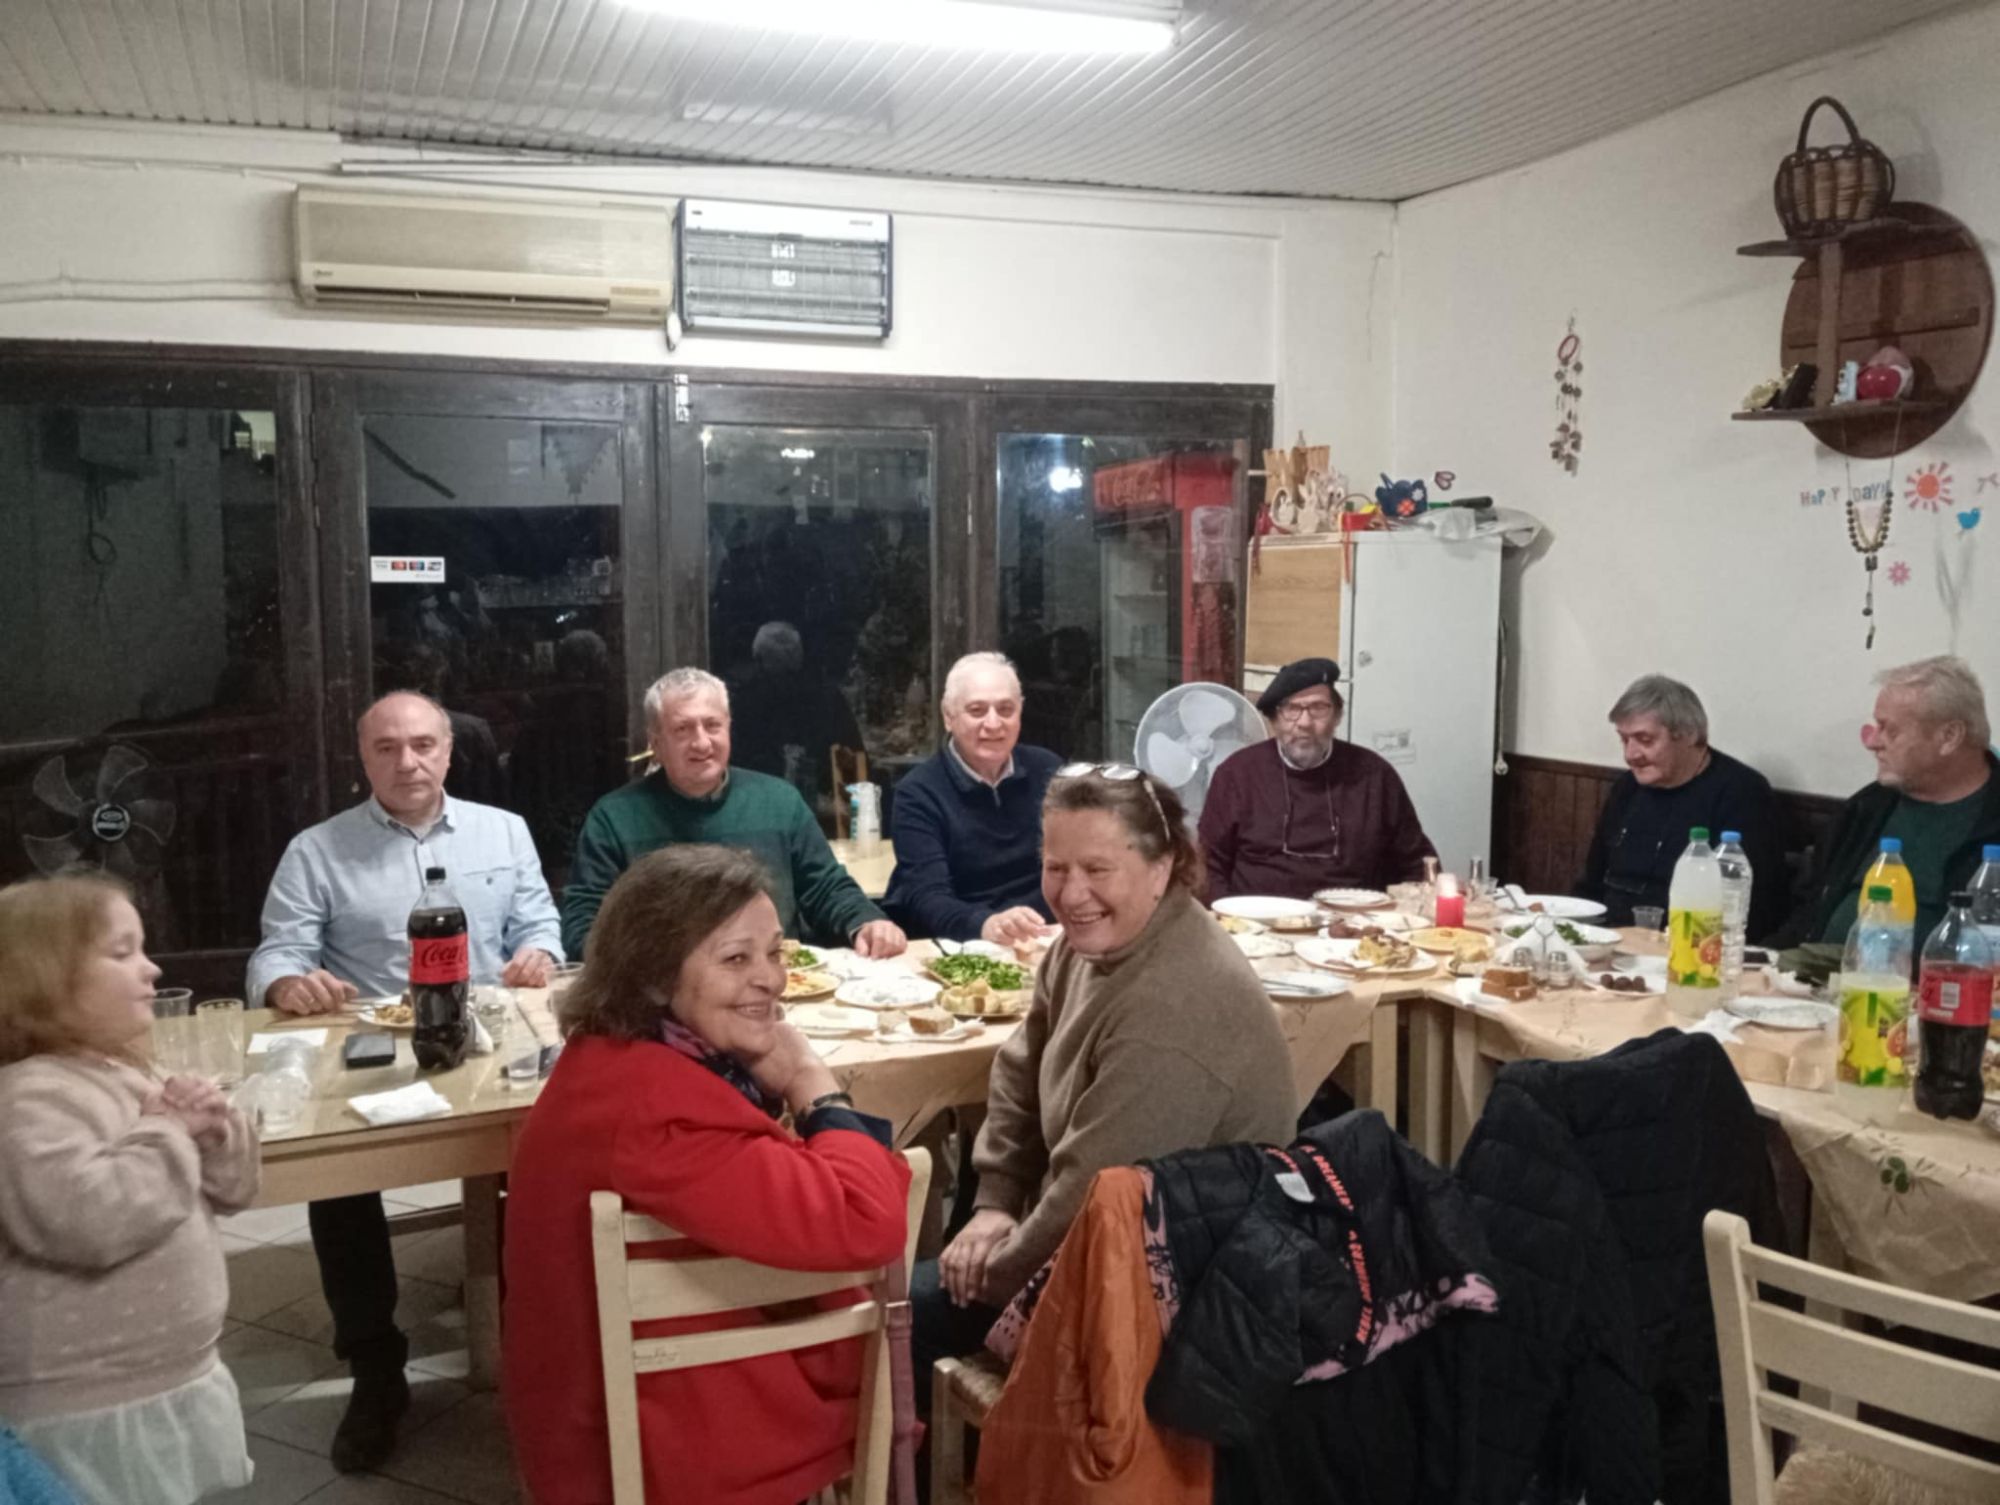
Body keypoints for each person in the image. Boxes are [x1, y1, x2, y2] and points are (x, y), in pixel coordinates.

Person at [504, 846, 910, 1505]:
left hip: (629, 1407)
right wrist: (813, 1085)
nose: (771, 979)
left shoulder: (611, 1059)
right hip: (670, 1446)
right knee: (924, 1318)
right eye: (736, 959)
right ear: (655, 976)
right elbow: (871, 1223)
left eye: (775, 952)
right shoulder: (659, 1113)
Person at [245, 690, 563, 1473]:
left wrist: (540, 953)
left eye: (423, 744)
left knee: (561, 1148)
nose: (408, 761)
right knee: (339, 1177)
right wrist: (287, 981)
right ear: (364, 757)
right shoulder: (317, 849)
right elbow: (276, 951)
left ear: (449, 750)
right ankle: (375, 1364)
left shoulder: (504, 829)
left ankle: (537, 1333)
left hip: (492, 1042)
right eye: (387, 747)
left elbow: (539, 923)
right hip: (376, 1045)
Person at [915, 765, 1298, 1404]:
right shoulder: (1088, 943)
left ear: (1161, 867)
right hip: (1096, 1235)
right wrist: (995, 1201)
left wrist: (990, 1273)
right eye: (1055, 868)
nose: (1071, 894)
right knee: (925, 1271)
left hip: (1180, 1293)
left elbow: (1094, 1196)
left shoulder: (1176, 1002)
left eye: (1097, 869)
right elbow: (1019, 1067)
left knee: (893, 1319)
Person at [0, 874, 259, 1505]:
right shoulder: (29, 1096)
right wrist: (170, 1132)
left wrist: (216, 1132)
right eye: (123, 952)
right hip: (86, 1404)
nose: (152, 968)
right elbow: (90, 1219)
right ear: (44, 979)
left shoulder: (125, 1071)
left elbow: (233, 1191)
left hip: (170, 1379)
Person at [562, 669, 906, 960]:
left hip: (774, 983)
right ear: (656, 742)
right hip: (661, 993)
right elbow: (582, 925)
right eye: (683, 729)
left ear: (728, 727)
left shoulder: (779, 801)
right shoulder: (613, 818)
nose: (702, 743)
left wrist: (866, 922)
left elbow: (826, 887)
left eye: (712, 725)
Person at [1787, 656, 2000, 947]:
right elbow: (1806, 915)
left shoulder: (1990, 818)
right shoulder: (1865, 808)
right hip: (1816, 970)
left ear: (1949, 737)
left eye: (1890, 730)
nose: (1874, 743)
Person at [1199, 657, 1436, 900]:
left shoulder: (1374, 775)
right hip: (1255, 919)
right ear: (1274, 720)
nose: (1305, 723)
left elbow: (1418, 864)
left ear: (1337, 716)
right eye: (1291, 709)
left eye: (1318, 708)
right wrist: (1224, 915)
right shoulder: (1237, 774)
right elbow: (1207, 865)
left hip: (1353, 917)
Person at [1576, 675, 1787, 939]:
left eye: (1645, 740)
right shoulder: (1627, 788)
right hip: (1608, 938)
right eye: (1624, 740)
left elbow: (1752, 908)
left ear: (1688, 735)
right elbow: (1592, 883)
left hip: (1688, 945)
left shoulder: (1740, 792)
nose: (1630, 754)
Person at [881, 652, 1062, 945]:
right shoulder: (918, 793)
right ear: (948, 717)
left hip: (1044, 937)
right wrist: (987, 925)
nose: (993, 723)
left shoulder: (1049, 771)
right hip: (964, 945)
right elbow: (926, 896)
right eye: (977, 711)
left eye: (1006, 709)